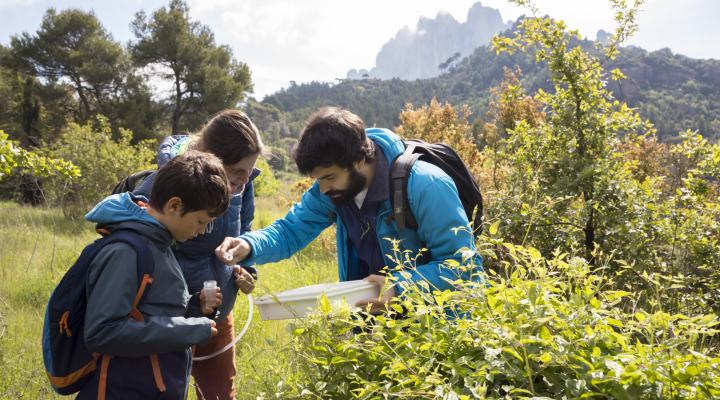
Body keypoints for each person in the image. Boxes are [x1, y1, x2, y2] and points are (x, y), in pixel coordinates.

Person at [216, 107, 482, 313]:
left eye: (329, 177)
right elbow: (291, 230)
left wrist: (400, 288)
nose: (322, 189)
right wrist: (249, 246)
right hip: (374, 325)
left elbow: (464, 266)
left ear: (358, 159)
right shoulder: (333, 189)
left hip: (433, 324)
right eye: (317, 179)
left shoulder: (425, 185)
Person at [77, 151, 230, 399]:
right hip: (121, 390)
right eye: (201, 221)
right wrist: (188, 330)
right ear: (174, 205)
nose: (202, 231)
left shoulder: (162, 244)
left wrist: (194, 308)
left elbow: (150, 311)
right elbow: (103, 331)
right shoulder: (126, 252)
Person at [134, 109, 261, 400]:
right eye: (237, 172)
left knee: (219, 395)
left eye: (249, 171)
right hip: (170, 316)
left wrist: (246, 269)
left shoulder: (244, 184)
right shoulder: (167, 182)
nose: (244, 180)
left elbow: (245, 230)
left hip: (219, 310)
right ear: (209, 158)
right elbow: (139, 243)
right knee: (165, 391)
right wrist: (189, 304)